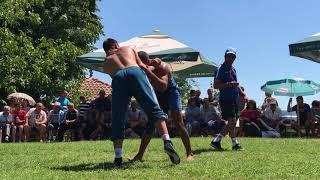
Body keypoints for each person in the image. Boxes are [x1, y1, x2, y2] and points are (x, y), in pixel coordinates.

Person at [102, 38, 180, 166]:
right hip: (135, 71)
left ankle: (118, 157)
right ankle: (167, 141)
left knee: (118, 116)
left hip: (118, 77)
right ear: (116, 45)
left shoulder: (105, 63)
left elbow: (118, 75)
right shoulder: (128, 49)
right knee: (154, 109)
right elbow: (142, 66)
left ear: (106, 50)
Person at [131, 51, 193, 160]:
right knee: (151, 123)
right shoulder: (144, 69)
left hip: (171, 92)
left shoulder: (163, 66)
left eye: (139, 63)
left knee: (178, 122)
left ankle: (189, 153)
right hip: (158, 94)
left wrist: (147, 71)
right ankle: (139, 155)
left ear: (145, 61)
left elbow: (163, 86)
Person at [210, 48, 243, 151]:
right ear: (225, 56)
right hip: (225, 99)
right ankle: (217, 141)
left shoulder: (233, 69)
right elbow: (216, 85)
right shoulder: (220, 68)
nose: (231, 58)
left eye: (233, 56)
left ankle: (234, 144)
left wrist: (240, 92)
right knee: (232, 121)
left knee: (232, 122)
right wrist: (229, 84)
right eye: (229, 56)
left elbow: (235, 84)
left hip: (234, 98)